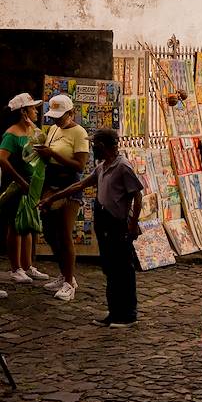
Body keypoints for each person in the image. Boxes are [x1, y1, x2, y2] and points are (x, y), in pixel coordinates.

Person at [40, 129, 143, 327]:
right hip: (103, 221)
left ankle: (128, 315)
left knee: (123, 270)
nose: (93, 148)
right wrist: (51, 198)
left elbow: (137, 195)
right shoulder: (102, 167)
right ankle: (114, 312)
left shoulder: (123, 167)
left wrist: (132, 223)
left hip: (117, 223)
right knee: (110, 269)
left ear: (103, 146)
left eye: (95, 144)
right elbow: (78, 186)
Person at [35, 94, 89, 302]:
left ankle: (69, 281)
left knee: (65, 233)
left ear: (71, 113)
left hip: (69, 186)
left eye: (61, 116)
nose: (57, 120)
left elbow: (80, 165)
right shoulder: (54, 129)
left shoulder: (79, 132)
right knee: (50, 232)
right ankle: (63, 273)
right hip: (50, 184)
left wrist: (53, 154)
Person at [0, 93, 46, 292]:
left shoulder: (31, 131)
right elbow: (2, 159)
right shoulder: (11, 134)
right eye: (32, 109)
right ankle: (16, 267)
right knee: (16, 225)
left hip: (32, 184)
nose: (36, 111)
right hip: (16, 185)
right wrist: (19, 179)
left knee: (29, 224)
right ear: (23, 112)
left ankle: (28, 265)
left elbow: (41, 142)